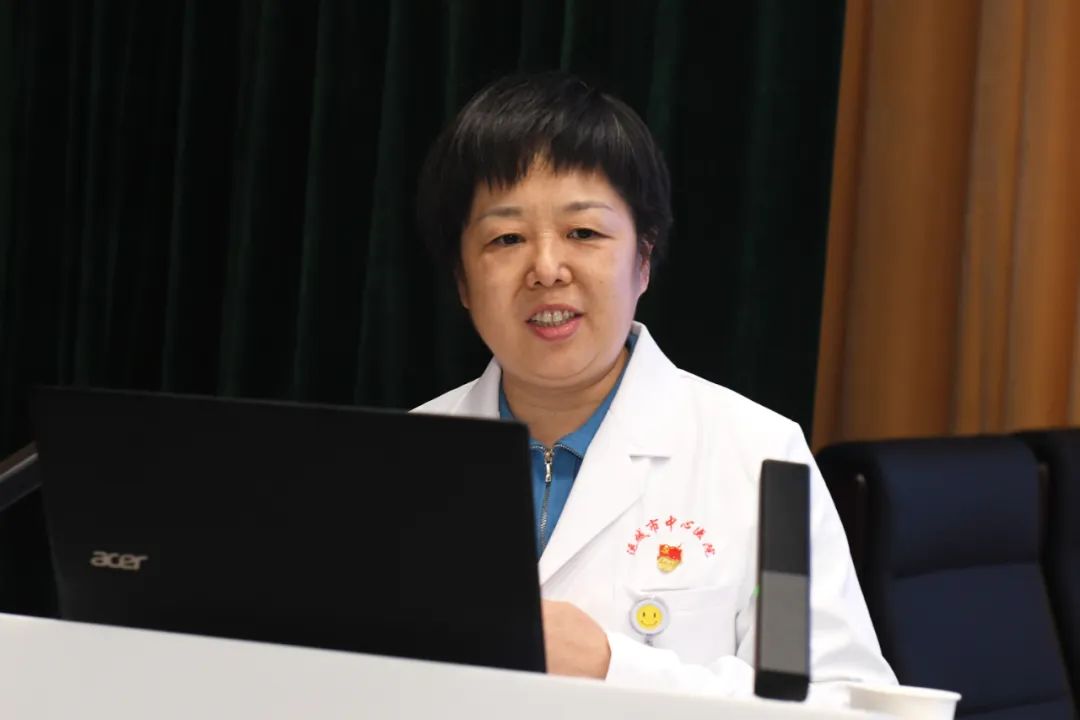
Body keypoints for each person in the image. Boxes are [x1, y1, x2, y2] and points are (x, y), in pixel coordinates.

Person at [413, 71, 897, 698]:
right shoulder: (404, 454)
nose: (547, 268)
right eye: (506, 239)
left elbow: (838, 700)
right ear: (461, 279)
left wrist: (613, 666)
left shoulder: (759, 455)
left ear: (643, 258)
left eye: (584, 233)